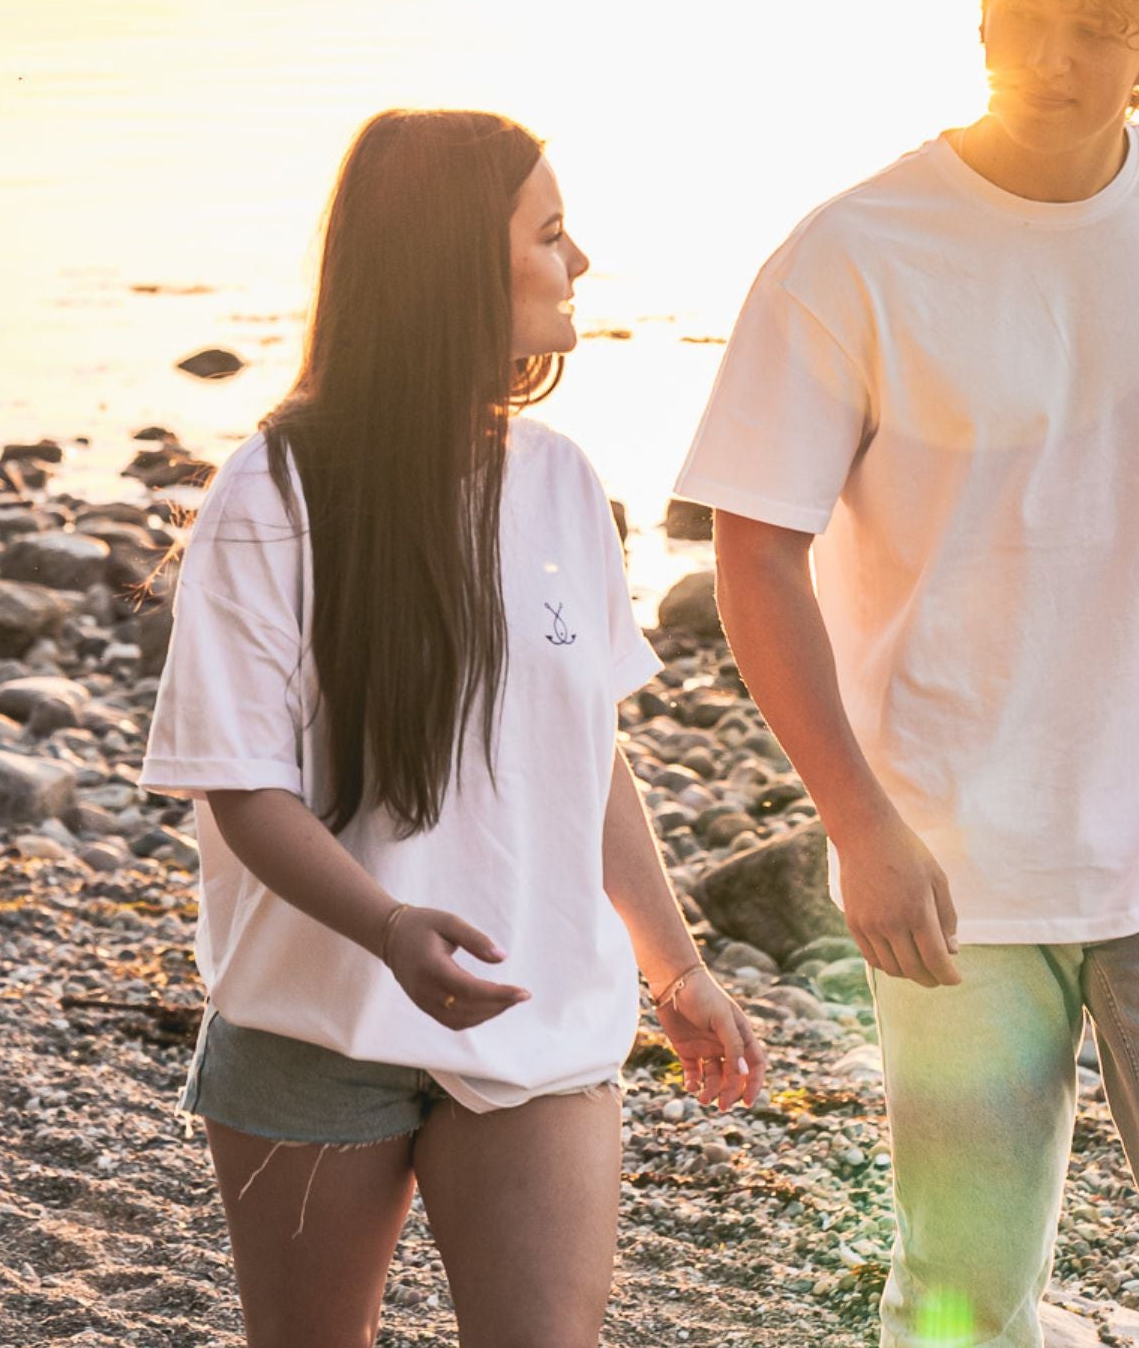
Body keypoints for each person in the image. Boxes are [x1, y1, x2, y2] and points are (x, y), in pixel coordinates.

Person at [674, 0, 1139, 1348]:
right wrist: (858, 824)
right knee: (966, 1296)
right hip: (957, 860)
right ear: (980, 14)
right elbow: (752, 550)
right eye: (1025, 21)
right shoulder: (854, 252)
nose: (1052, 60)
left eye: (1096, 31)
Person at [142, 108, 765, 1348]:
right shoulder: (273, 491)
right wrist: (386, 925)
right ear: (450, 267)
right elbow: (240, 784)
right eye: (547, 230)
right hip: (313, 1021)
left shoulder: (562, 479)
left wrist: (674, 962)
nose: (577, 259)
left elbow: (587, 751)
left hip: (538, 1013)